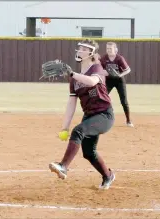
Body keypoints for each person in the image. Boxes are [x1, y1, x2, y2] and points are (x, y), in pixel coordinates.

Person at [49, 39, 115, 190]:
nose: (80, 50)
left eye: (84, 48)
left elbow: (92, 82)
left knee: (79, 131)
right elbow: (72, 103)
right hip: (90, 116)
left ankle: (63, 167)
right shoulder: (74, 79)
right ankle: (108, 176)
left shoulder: (96, 68)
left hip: (104, 114)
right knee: (88, 152)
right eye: (79, 48)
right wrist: (64, 127)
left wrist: (72, 73)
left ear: (91, 53)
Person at [100, 42, 134, 127]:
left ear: (115, 50)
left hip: (119, 80)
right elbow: (100, 69)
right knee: (102, 98)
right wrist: (104, 73)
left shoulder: (119, 58)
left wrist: (120, 75)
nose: (109, 50)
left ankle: (128, 121)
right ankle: (103, 117)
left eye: (110, 49)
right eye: (107, 48)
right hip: (108, 81)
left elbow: (128, 69)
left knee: (124, 101)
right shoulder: (104, 58)